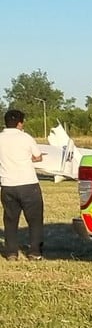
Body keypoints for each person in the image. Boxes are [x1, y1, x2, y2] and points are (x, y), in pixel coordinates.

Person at [0, 110, 44, 260]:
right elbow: (37, 157)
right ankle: (34, 251)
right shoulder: (26, 138)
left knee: (10, 220)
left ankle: (11, 252)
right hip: (28, 184)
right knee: (34, 219)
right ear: (20, 123)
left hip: (7, 185)